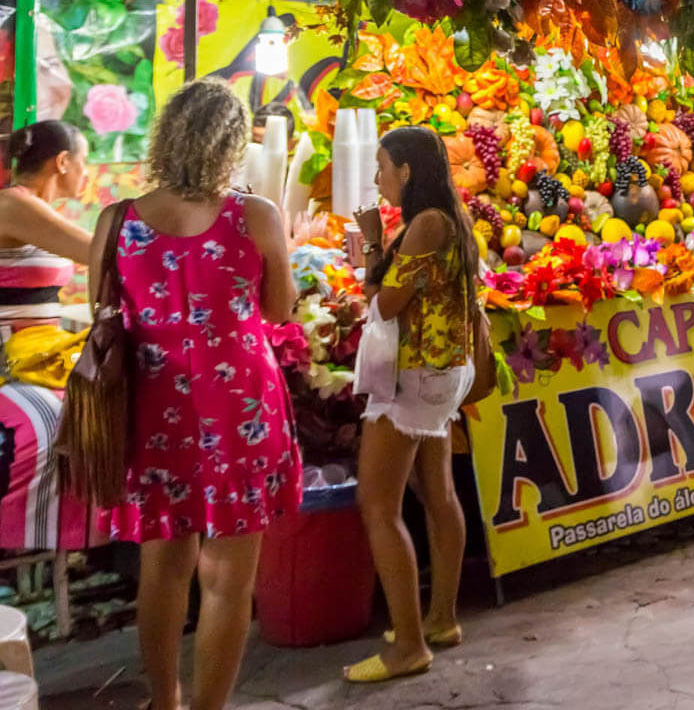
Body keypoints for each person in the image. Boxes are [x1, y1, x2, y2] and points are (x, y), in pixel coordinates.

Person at [99, 80, 300, 710]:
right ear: (232, 143)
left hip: (154, 407)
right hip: (238, 403)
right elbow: (280, 309)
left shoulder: (118, 219)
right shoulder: (254, 216)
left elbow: (102, 313)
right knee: (228, 581)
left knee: (163, 567)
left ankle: (166, 701)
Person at [345, 126, 484, 683]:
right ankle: (439, 619)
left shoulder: (426, 224)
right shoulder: (443, 218)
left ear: (406, 171)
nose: (378, 178)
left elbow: (383, 303)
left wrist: (373, 242)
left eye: (383, 167)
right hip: (439, 371)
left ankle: (408, 645)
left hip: (417, 374)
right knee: (436, 492)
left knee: (376, 503)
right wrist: (374, 243)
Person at [0, 122, 95, 386]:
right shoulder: (13, 204)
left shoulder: (31, 207)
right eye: (83, 161)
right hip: (10, 358)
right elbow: (96, 250)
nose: (86, 173)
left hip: (34, 353)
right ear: (63, 161)